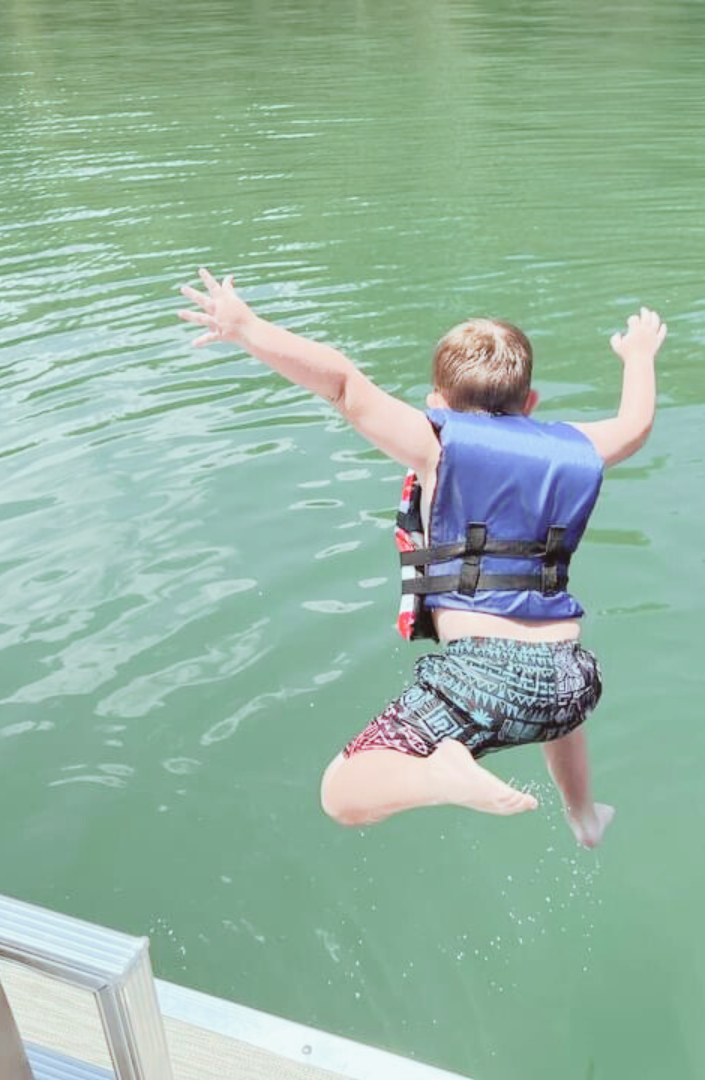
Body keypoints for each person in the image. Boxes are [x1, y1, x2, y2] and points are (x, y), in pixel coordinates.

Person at [180, 269, 665, 847]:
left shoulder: (436, 442)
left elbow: (342, 384)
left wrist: (248, 327)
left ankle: (440, 773)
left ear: (438, 404)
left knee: (341, 792)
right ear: (530, 403)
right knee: (555, 706)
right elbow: (635, 425)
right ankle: (582, 813)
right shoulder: (578, 447)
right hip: (574, 679)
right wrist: (638, 355)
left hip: (486, 675)